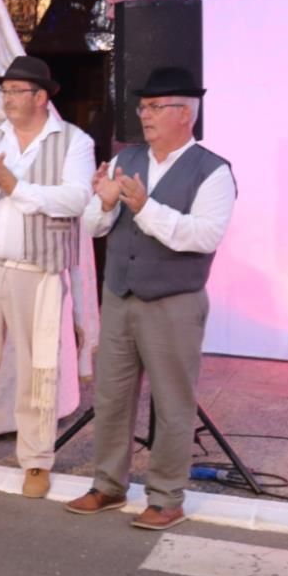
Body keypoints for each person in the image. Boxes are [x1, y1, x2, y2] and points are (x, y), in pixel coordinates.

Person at [66, 66, 236, 531]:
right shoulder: (128, 159)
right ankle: (108, 484)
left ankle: (165, 497)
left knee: (173, 402)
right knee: (112, 396)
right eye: (143, 107)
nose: (145, 115)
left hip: (174, 303)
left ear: (185, 114)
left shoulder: (213, 170)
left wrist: (144, 207)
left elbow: (204, 236)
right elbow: (94, 228)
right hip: (121, 295)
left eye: (156, 107)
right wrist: (103, 202)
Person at [0, 56, 94, 498]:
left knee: (38, 366)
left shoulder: (73, 141)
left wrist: (17, 188)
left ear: (41, 97)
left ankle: (35, 459)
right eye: (4, 91)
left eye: (15, 92)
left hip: (39, 271)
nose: (6, 99)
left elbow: (75, 198)